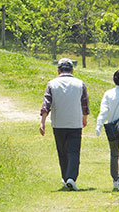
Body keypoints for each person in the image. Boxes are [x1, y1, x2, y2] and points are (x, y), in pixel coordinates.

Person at [40, 58, 90, 191]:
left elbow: (46, 105)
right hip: (75, 122)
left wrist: (42, 122)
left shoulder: (52, 84)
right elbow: (85, 104)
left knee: (62, 152)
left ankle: (66, 177)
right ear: (72, 70)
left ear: (58, 71)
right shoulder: (80, 84)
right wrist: (84, 118)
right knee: (74, 151)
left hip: (58, 123)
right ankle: (71, 178)